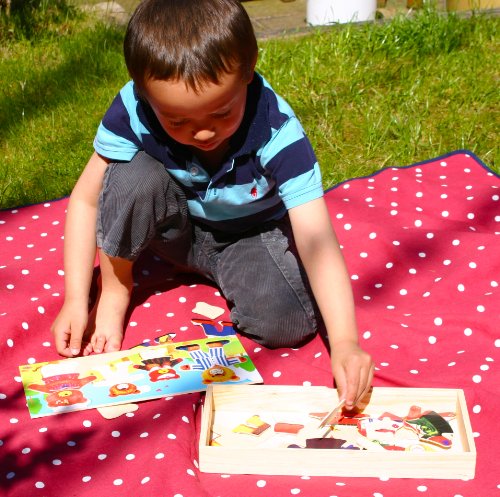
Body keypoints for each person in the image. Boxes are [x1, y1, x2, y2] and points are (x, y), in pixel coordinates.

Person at [51, 0, 374, 409]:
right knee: (131, 176)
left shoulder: (277, 130)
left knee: (286, 324)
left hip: (247, 235)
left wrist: (345, 342)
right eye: (177, 121)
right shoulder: (133, 108)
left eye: (222, 113)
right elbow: (85, 200)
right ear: (143, 94)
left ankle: (230, 275)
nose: (203, 132)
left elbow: (315, 239)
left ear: (249, 72)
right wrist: (77, 298)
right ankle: (119, 286)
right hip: (173, 229)